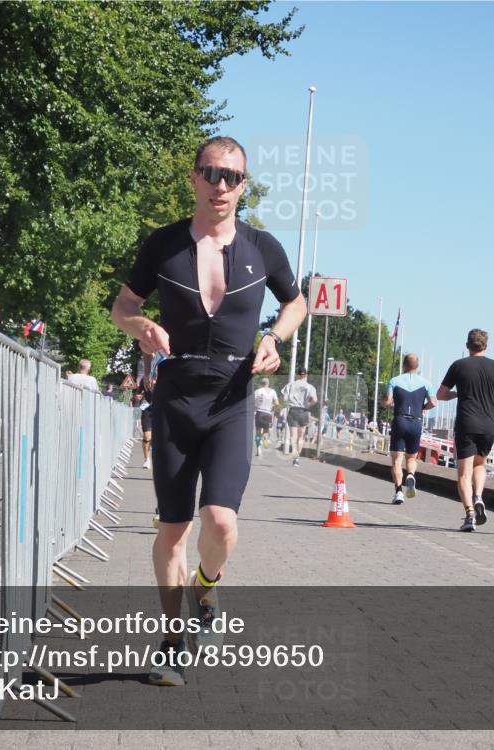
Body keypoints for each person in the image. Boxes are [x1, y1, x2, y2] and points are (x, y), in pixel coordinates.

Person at [111, 135, 307, 687]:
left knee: (221, 520)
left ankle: (207, 583)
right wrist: (140, 325)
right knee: (172, 528)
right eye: (211, 173)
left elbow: (297, 301)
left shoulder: (263, 248)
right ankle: (172, 641)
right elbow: (123, 304)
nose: (221, 185)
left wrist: (275, 337)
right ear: (194, 177)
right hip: (175, 397)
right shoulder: (163, 245)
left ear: (243, 186)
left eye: (232, 177)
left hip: (233, 397)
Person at [437, 329, 494, 531]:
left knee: (464, 474)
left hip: (466, 423)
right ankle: (479, 496)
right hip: (489, 424)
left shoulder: (459, 366)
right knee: (481, 464)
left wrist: (457, 394)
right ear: (486, 346)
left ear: (467, 346)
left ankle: (470, 514)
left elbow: (440, 395)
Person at [382, 353, 437, 504]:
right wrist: (422, 407)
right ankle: (411, 475)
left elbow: (387, 401)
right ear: (417, 366)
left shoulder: (394, 381)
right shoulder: (426, 383)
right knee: (411, 457)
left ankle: (398, 492)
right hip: (416, 422)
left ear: (404, 365)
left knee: (396, 461)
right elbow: (433, 402)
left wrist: (384, 403)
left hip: (400, 420)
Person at [281, 368, 317, 467]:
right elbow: (315, 400)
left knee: (294, 436)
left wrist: (290, 402)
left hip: (293, 410)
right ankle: (297, 459)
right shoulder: (310, 387)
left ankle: (294, 451)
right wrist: (308, 405)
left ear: (297, 375)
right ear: (306, 375)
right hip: (304, 411)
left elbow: (284, 398)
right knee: (301, 437)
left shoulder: (291, 385)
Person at [253, 377, 279, 457]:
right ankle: (263, 439)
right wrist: (272, 409)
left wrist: (255, 408)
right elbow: (277, 403)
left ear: (261, 384)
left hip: (259, 412)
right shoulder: (273, 391)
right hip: (268, 413)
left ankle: (258, 449)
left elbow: (252, 401)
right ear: (268, 384)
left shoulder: (258, 391)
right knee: (266, 430)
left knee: (257, 432)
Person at [134, 375, 154, 469]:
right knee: (147, 436)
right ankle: (147, 460)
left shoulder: (165, 376)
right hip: (147, 409)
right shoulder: (145, 378)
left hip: (162, 410)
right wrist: (137, 396)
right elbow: (138, 392)